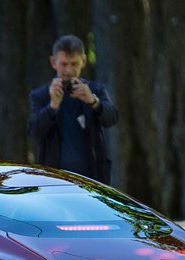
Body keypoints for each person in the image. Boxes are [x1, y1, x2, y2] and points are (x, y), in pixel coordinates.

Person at [28, 34, 118, 183]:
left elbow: (112, 118)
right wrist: (52, 106)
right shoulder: (41, 95)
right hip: (54, 179)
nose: (68, 70)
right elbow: (34, 131)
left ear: (83, 61)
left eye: (74, 64)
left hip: (93, 178)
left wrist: (93, 101)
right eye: (63, 64)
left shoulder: (95, 89)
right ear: (53, 62)